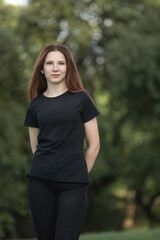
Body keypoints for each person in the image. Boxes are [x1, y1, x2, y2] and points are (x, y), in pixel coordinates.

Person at [24, 43, 100, 240]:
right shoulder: (35, 105)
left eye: (60, 63)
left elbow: (94, 145)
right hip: (39, 182)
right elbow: (35, 146)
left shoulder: (82, 99)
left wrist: (79, 174)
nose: (55, 68)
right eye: (49, 63)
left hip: (73, 184)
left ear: (68, 67)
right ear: (42, 69)